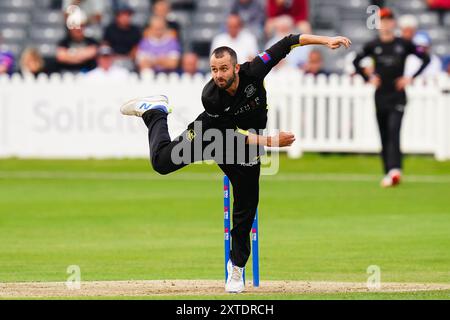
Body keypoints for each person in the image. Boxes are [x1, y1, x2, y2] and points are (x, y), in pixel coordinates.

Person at [120, 33, 351, 293]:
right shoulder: (211, 97)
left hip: (244, 149)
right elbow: (231, 137)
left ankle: (236, 268)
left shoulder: (255, 70)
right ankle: (155, 112)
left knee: (246, 206)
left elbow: (289, 42)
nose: (218, 75)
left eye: (223, 69)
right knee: (162, 162)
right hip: (211, 134)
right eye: (214, 70)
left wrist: (325, 40)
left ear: (236, 67)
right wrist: (270, 141)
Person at [353, 8, 430, 188]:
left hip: (398, 95)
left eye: (389, 20)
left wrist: (410, 78)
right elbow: (356, 61)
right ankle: (388, 172)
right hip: (380, 95)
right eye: (382, 21)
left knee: (394, 130)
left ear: (393, 23)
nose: (386, 24)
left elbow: (424, 58)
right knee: (384, 133)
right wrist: (368, 78)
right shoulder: (373, 45)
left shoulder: (404, 44)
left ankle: (395, 169)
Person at [103, 4, 142, 70]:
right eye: (123, 15)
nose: (125, 17)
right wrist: (112, 57)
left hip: (130, 59)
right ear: (117, 16)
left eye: (128, 15)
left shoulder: (135, 30)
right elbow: (105, 45)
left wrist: (128, 57)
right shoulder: (110, 29)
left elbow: (137, 47)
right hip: (112, 59)